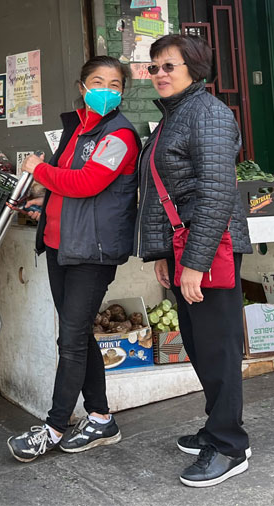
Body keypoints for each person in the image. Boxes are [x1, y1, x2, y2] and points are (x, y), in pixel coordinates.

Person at [7, 56, 141, 462]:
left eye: (114, 84)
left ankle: (53, 427)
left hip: (92, 252)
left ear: (122, 91)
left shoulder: (119, 135)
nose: (106, 90)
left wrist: (39, 169)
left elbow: (86, 183)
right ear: (82, 86)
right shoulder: (78, 129)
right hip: (62, 246)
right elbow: (67, 185)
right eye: (97, 82)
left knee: (70, 341)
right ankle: (101, 417)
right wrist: (41, 199)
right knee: (78, 335)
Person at [137, 34, 251, 487]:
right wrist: (164, 254)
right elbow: (165, 195)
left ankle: (229, 446)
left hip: (208, 251)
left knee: (218, 348)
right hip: (186, 250)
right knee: (200, 343)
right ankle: (215, 428)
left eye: (170, 66)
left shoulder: (209, 114)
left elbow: (217, 194)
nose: (160, 74)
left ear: (194, 69)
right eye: (154, 67)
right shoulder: (177, 115)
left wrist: (195, 263)